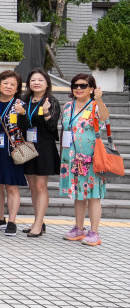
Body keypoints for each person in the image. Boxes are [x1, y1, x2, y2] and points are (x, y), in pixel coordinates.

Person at [59, 74, 110, 247]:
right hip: (71, 157)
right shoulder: (67, 106)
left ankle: (94, 231)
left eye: (83, 85)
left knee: (93, 195)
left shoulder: (95, 105)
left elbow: (104, 118)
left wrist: (100, 100)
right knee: (78, 193)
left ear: (91, 88)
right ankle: (79, 228)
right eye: (75, 85)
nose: (78, 89)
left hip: (91, 158)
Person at [0, 70, 30, 236]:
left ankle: (12, 221)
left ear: (17, 89)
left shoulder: (20, 105)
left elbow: (27, 126)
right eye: (5, 83)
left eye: (12, 84)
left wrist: (22, 114)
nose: (8, 87)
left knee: (12, 186)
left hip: (11, 150)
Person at [22, 68, 61, 236]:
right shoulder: (25, 100)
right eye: (33, 80)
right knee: (32, 187)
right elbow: (22, 126)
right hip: (28, 145)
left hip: (44, 146)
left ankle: (38, 225)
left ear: (47, 83)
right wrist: (21, 115)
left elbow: (52, 127)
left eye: (40, 80)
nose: (36, 83)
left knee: (40, 186)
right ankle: (38, 221)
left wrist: (45, 113)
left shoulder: (51, 101)